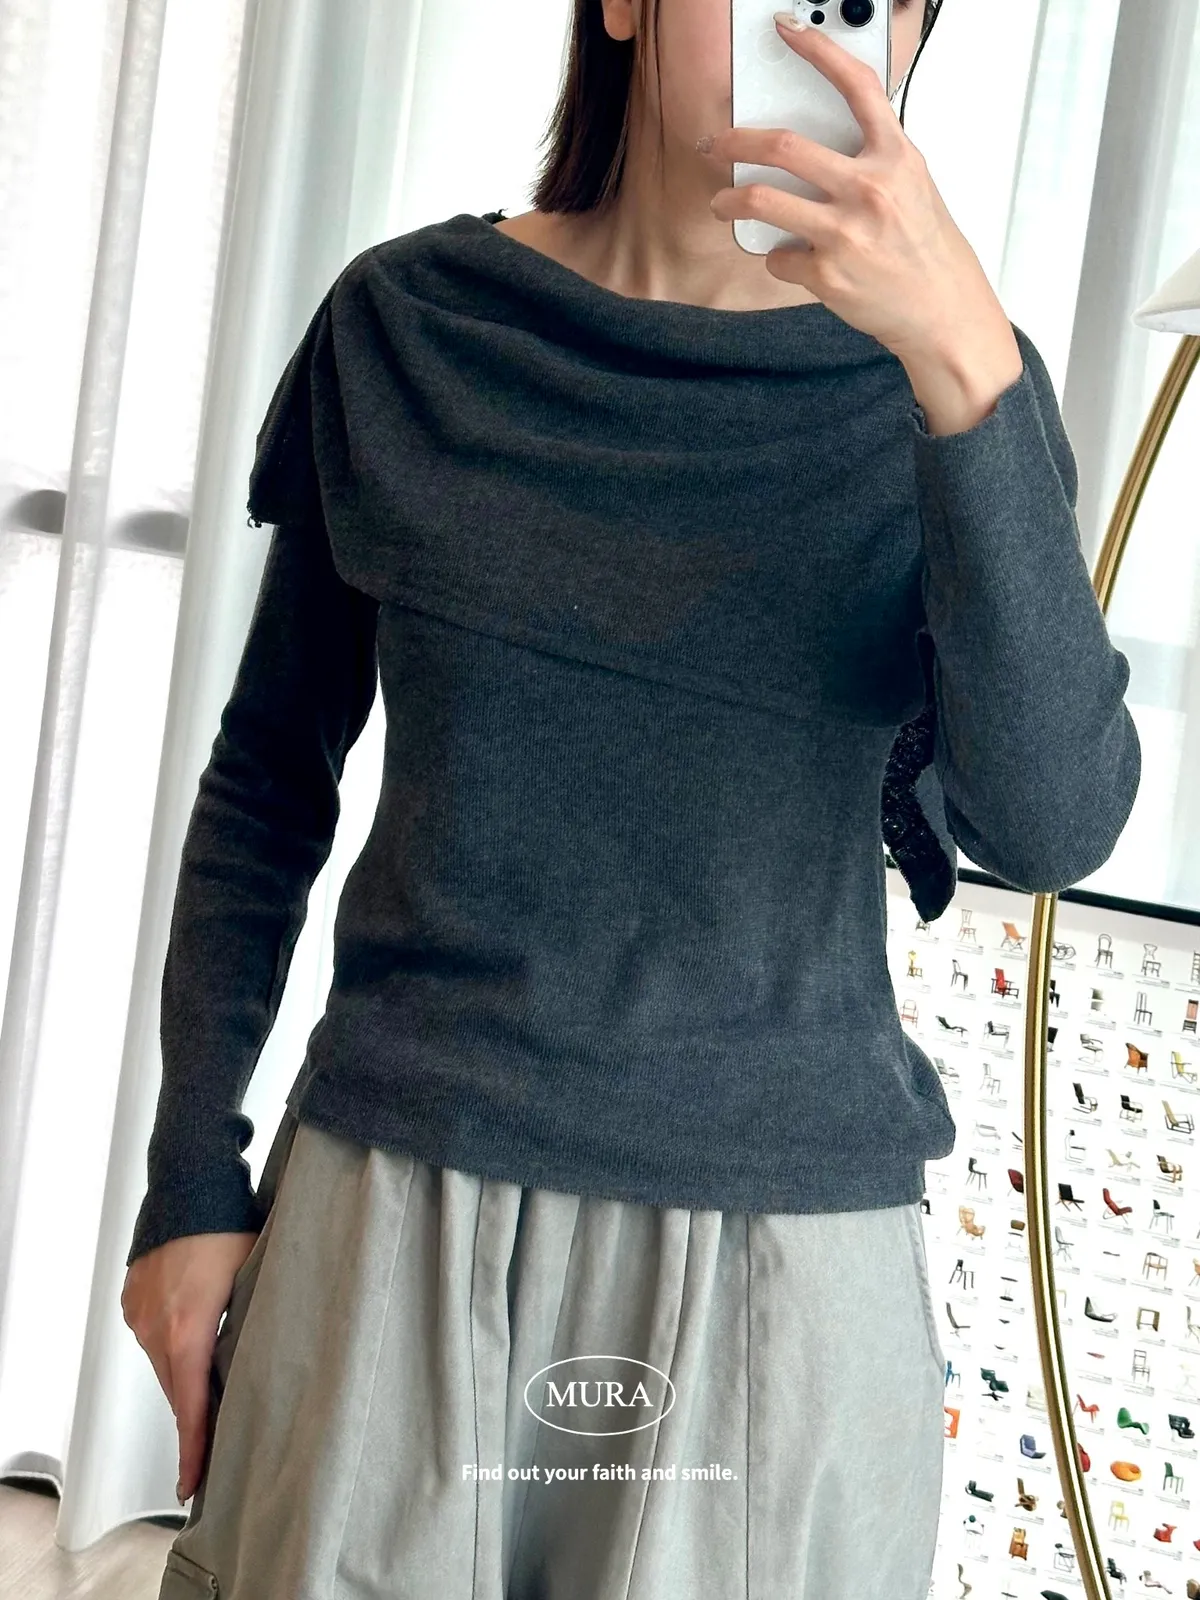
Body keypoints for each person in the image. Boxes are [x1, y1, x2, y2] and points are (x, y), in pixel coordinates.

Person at [122, 1, 1141, 1597]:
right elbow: (267, 780)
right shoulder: (410, 328)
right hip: (395, 1204)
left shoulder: (952, 390)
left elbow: (1052, 823)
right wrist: (190, 1180)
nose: (805, 18)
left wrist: (964, 367)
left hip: (782, 1261)